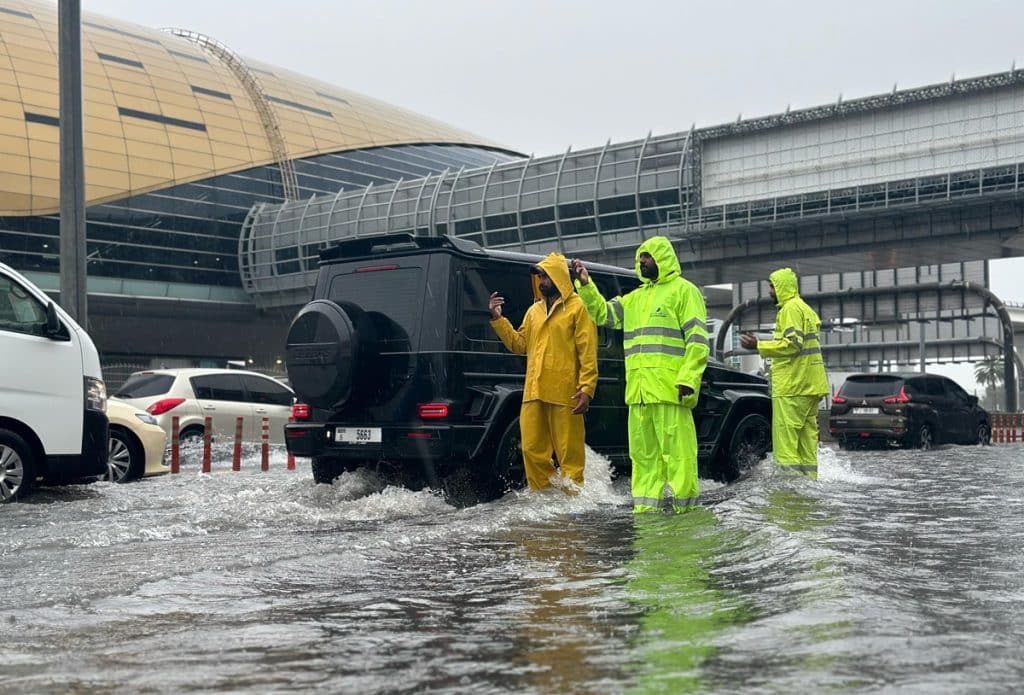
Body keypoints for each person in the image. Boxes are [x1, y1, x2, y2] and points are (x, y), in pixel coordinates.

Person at [572, 237, 709, 513]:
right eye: (640, 257)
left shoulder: (684, 291)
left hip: (670, 391)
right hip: (639, 394)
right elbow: (603, 314)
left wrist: (688, 378)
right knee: (644, 459)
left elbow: (697, 340)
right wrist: (586, 284)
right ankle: (646, 515)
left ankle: (688, 516)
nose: (641, 261)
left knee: (679, 457)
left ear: (663, 259)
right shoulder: (634, 299)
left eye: (647, 257)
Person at [489, 252, 598, 490]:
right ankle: (544, 498)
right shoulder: (533, 311)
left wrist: (586, 388)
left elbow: (587, 351)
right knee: (531, 450)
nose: (541, 281)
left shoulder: (577, 308)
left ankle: (574, 501)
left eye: (545, 276)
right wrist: (499, 320)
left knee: (569, 452)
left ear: (558, 277)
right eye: (539, 277)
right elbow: (519, 345)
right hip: (534, 391)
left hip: (565, 391)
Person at [739, 268, 829, 479]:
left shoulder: (789, 309)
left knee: (786, 444)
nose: (770, 291)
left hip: (792, 386)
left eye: (772, 286)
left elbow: (792, 344)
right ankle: (809, 486)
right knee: (807, 444)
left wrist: (759, 345)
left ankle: (788, 493)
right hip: (810, 385)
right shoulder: (805, 309)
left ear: (782, 287)